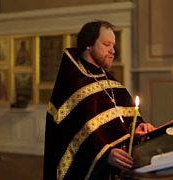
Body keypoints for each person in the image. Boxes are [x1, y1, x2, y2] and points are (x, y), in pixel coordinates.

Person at [43, 20, 155, 180]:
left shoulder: (110, 81)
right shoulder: (73, 84)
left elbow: (118, 123)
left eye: (113, 46)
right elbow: (69, 137)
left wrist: (137, 128)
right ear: (89, 45)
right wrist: (105, 155)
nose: (112, 51)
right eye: (106, 44)